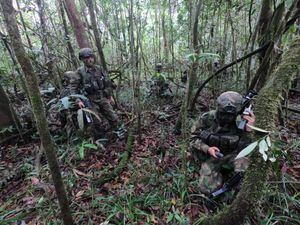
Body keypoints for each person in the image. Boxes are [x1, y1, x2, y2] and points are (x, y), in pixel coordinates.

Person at [190, 91, 255, 195]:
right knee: (206, 189)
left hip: (234, 155)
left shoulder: (242, 121)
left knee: (246, 178)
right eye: (223, 113)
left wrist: (249, 131)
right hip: (212, 157)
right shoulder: (207, 118)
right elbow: (192, 139)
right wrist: (207, 149)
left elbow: (247, 150)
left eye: (230, 115)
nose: (226, 118)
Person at [73, 48, 118, 139]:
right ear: (82, 59)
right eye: (86, 58)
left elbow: (107, 83)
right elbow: (73, 88)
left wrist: (109, 96)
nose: (90, 59)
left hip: (102, 97)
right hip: (90, 100)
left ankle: (117, 133)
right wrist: (78, 101)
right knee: (96, 122)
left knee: (113, 116)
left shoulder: (99, 69)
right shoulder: (79, 72)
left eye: (91, 57)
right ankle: (102, 139)